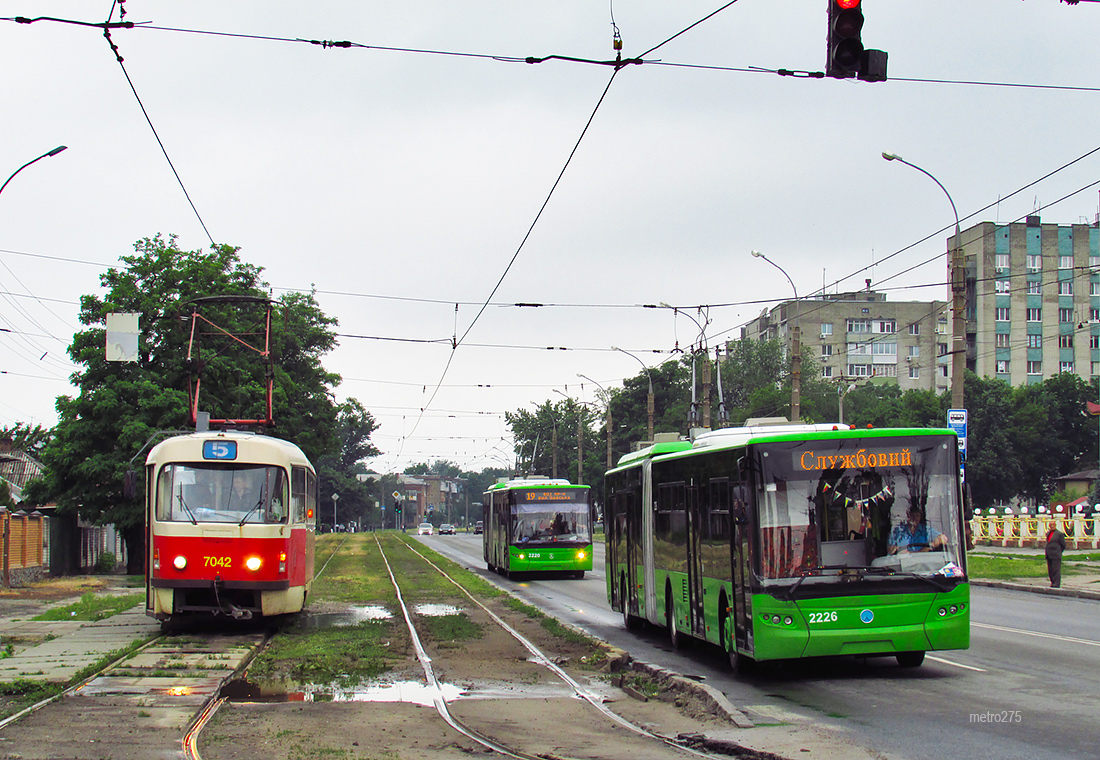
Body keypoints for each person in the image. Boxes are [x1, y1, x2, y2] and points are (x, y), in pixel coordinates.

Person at [1045, 521, 1067, 588]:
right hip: (1049, 554)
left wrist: (1059, 551)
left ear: (1055, 525)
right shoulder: (1048, 533)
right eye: (1050, 525)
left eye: (1053, 525)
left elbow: (1063, 545)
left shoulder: (1059, 534)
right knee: (1050, 570)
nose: (1052, 526)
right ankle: (1052, 582)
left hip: (1056, 554)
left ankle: (1057, 583)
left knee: (1056, 570)